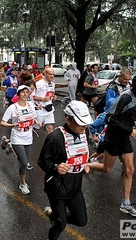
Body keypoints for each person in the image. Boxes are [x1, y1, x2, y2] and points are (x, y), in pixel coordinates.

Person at [86, 75, 136, 218]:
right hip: (113, 138)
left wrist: (135, 124)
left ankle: (125, 203)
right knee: (106, 168)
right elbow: (110, 118)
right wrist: (129, 129)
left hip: (124, 139)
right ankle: (87, 165)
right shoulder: (125, 97)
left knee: (130, 169)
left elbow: (127, 116)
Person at [37, 100, 93, 240]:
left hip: (75, 186)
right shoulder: (55, 137)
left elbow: (82, 152)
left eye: (85, 122)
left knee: (81, 221)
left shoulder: (84, 131)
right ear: (68, 119)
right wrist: (56, 167)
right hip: (57, 188)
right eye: (80, 122)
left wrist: (84, 164)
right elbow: (42, 161)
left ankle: (53, 216)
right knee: (60, 226)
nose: (84, 126)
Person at [1, 85, 41, 195]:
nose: (25, 94)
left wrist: (37, 122)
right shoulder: (12, 108)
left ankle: (8, 145)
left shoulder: (31, 106)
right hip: (17, 137)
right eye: (22, 92)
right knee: (24, 162)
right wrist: (13, 124)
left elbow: (33, 117)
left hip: (28, 137)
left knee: (24, 161)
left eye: (26, 92)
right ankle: (22, 183)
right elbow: (2, 122)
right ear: (18, 94)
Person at [33, 67, 57, 134]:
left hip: (49, 110)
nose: (52, 76)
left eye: (53, 74)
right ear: (45, 74)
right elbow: (32, 97)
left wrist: (54, 97)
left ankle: (49, 144)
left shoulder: (52, 84)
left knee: (50, 129)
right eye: (50, 74)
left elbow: (51, 93)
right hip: (39, 110)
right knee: (35, 130)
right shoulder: (38, 83)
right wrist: (43, 99)